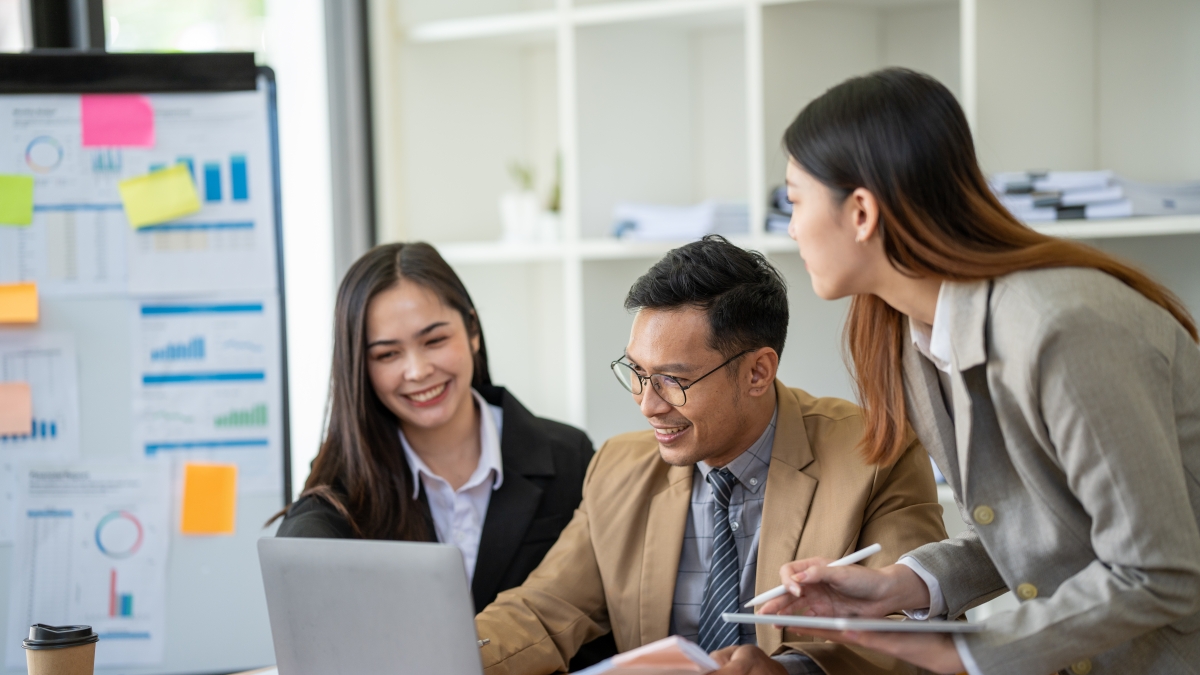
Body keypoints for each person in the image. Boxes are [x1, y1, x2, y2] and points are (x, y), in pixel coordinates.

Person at [758, 68, 1200, 675]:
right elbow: (1053, 528)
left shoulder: (1063, 329)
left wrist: (966, 650)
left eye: (794, 199)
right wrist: (905, 584)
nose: (789, 227)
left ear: (860, 212)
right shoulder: (912, 338)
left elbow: (1161, 570)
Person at [474, 236, 947, 675]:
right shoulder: (619, 466)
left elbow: (913, 631)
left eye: (673, 381)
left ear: (758, 372)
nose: (647, 403)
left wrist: (788, 670)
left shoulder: (875, 452)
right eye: (637, 372)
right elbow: (544, 609)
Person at [271, 243, 615, 666]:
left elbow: (600, 621)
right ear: (360, 366)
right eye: (387, 354)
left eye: (434, 340)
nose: (417, 370)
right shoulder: (346, 481)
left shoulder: (568, 456)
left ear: (472, 330)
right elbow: (303, 572)